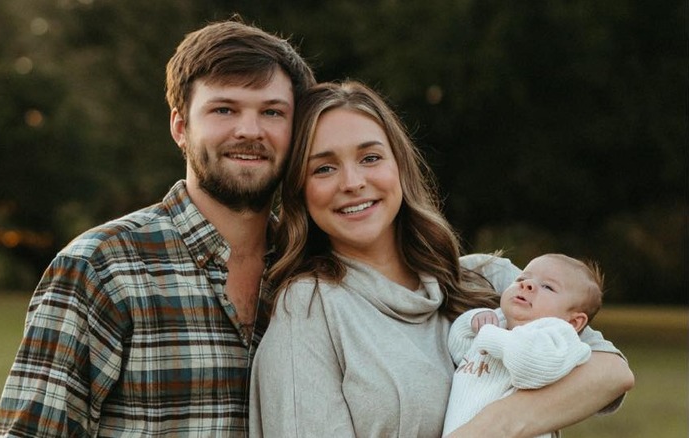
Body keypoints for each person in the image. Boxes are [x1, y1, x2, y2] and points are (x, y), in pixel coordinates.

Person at [248, 80, 634, 437]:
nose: (351, 182)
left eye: (369, 158)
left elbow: (611, 371)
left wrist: (493, 426)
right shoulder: (310, 310)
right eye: (324, 168)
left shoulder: (490, 281)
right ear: (300, 190)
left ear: (399, 165)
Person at [0, 18, 315, 437]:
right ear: (180, 127)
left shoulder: (311, 268)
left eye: (272, 112)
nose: (250, 131)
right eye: (224, 109)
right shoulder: (101, 267)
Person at [442, 253, 606, 437]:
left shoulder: (558, 336)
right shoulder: (498, 320)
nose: (526, 285)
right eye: (522, 278)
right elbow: (458, 347)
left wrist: (488, 333)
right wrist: (472, 320)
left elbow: (529, 368)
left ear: (574, 322)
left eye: (548, 287)